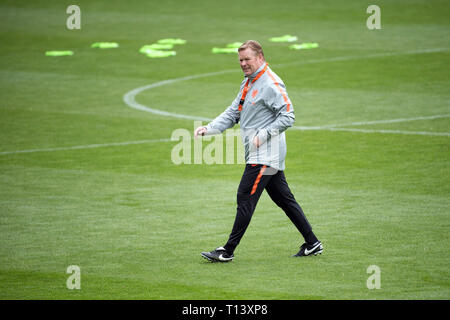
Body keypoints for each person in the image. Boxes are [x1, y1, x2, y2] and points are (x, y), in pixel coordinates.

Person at [195, 40, 322, 262]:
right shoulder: (249, 81)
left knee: (245, 196)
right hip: (260, 155)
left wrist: (262, 135)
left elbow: (288, 116)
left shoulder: (271, 84)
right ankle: (312, 243)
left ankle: (227, 250)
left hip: (265, 156)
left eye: (247, 59)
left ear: (260, 57)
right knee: (284, 199)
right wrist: (210, 128)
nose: (243, 64)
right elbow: (234, 111)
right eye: (241, 60)